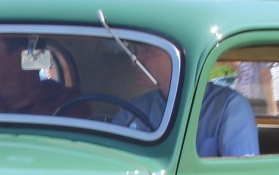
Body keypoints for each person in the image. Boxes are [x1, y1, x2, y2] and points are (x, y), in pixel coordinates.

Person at [110, 43, 258, 156]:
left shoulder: (229, 107)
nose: (136, 61)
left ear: (180, 58)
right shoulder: (136, 106)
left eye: (149, 52)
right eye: (137, 52)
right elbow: (112, 156)